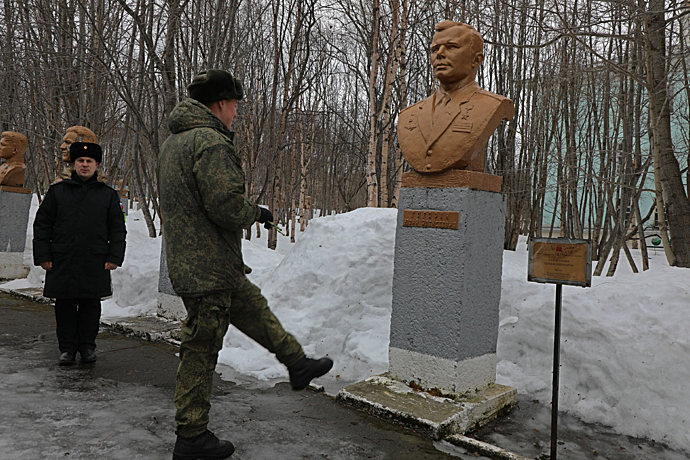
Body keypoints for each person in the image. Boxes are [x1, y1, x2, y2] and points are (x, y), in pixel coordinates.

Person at [158, 69, 333, 460]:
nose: (236, 113)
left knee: (254, 308)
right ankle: (191, 436)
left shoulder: (174, 141)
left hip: (208, 264)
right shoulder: (210, 142)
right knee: (200, 350)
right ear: (221, 103)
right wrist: (257, 212)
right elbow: (224, 205)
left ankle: (297, 363)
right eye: (235, 105)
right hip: (209, 270)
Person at [33, 142, 126, 365]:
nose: (85, 165)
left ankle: (87, 347)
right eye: (80, 161)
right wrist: (43, 255)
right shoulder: (57, 192)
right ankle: (66, 349)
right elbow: (43, 225)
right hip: (62, 258)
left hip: (95, 259)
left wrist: (114, 257)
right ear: (74, 164)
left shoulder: (108, 195)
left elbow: (117, 228)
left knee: (90, 306)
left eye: (89, 161)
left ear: (96, 165)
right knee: (64, 305)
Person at [397, 20, 514, 174]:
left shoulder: (492, 105)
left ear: (476, 59)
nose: (440, 54)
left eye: (452, 47)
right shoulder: (408, 115)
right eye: (435, 49)